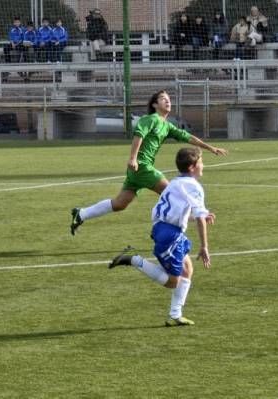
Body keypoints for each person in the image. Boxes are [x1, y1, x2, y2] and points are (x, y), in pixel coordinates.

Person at [69, 90, 228, 236]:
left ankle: (81, 213)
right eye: (163, 99)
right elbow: (139, 135)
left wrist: (210, 148)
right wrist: (133, 158)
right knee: (172, 191)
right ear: (154, 105)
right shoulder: (150, 119)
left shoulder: (166, 125)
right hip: (141, 166)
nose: (168, 101)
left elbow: (188, 137)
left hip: (138, 169)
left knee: (120, 204)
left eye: (169, 99)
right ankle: (189, 220)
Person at [108, 147, 215, 326]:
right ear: (192, 167)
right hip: (170, 235)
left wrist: (197, 215)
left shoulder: (175, 182)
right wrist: (204, 246)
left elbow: (174, 210)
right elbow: (200, 220)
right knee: (173, 282)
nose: (203, 165)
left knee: (187, 268)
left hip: (163, 228)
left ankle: (175, 315)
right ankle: (134, 260)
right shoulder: (194, 186)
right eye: (201, 162)